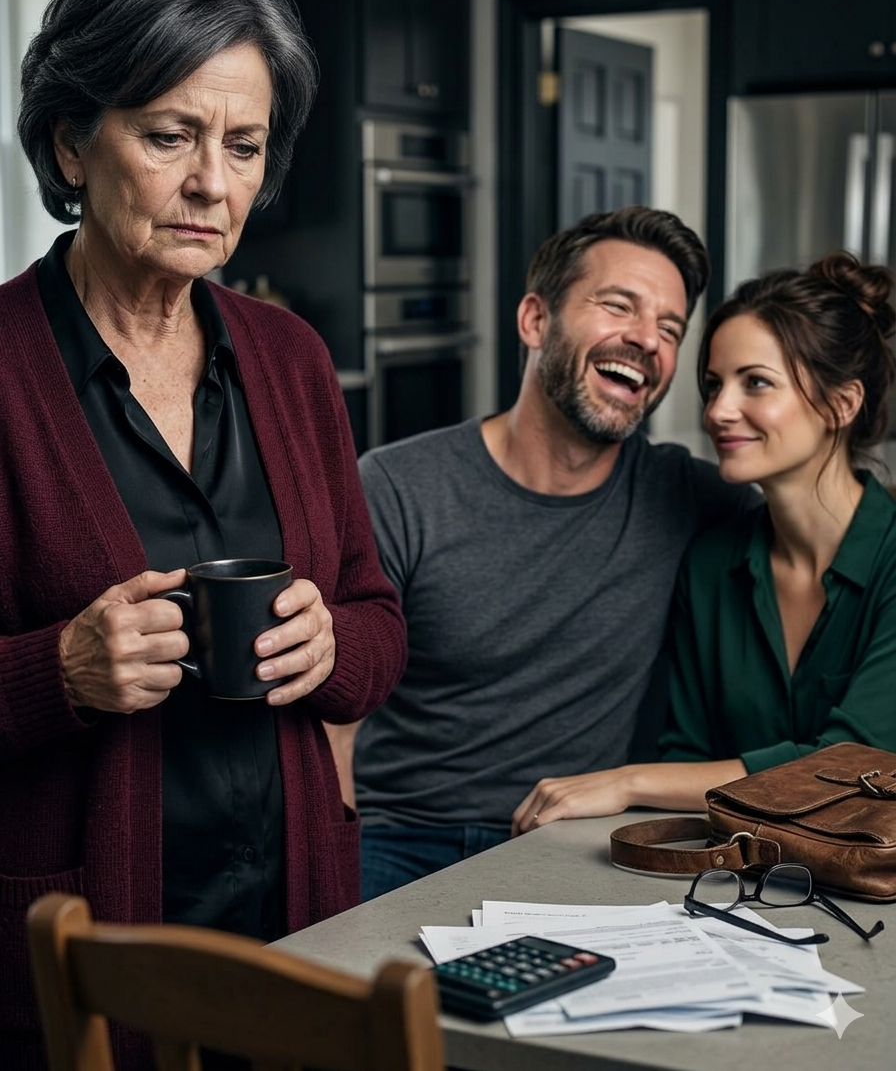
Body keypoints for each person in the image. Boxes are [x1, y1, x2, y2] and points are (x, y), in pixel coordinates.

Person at [0, 0, 406, 1070]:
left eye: (243, 145)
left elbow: (376, 626)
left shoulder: (289, 358)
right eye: (169, 135)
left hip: (294, 929)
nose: (211, 185)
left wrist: (332, 646)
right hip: (77, 955)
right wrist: (56, 674)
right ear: (73, 142)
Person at [332, 207, 756, 901]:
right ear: (535, 320)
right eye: (619, 305)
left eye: (671, 328)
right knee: (353, 1002)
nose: (647, 339)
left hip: (576, 846)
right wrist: (334, 855)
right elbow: (333, 715)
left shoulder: (685, 495)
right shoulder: (398, 485)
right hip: (402, 839)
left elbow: (818, 515)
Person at [513, 252, 896, 833]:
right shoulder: (712, 563)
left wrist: (627, 780)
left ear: (841, 404)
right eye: (714, 384)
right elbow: (688, 756)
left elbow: (849, 767)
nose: (718, 411)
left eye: (756, 384)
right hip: (731, 877)